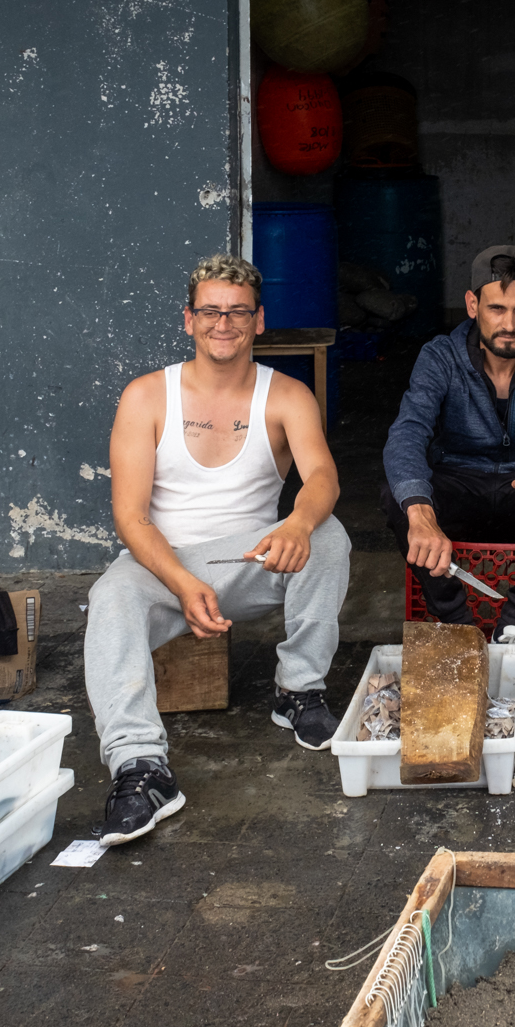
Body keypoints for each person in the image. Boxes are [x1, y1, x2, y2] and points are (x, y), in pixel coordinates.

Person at [85, 253, 350, 848]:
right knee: (108, 598)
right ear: (188, 319)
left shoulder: (287, 395)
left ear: (259, 321)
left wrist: (298, 524)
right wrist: (179, 580)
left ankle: (298, 689)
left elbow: (324, 478)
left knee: (328, 535)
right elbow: (130, 517)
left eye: (237, 312)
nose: (222, 323)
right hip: (164, 564)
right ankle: (141, 769)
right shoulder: (147, 396)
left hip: (252, 561)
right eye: (210, 311)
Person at [380, 245, 515, 678]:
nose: (509, 324)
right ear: (472, 304)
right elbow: (407, 432)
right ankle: (460, 628)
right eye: (496, 309)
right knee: (397, 493)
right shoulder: (441, 356)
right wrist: (419, 510)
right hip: (460, 485)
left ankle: (514, 625)